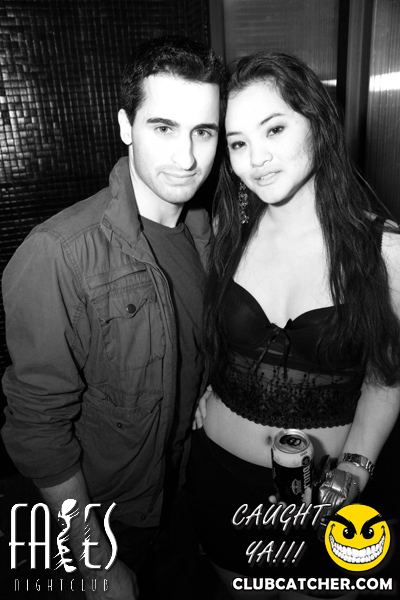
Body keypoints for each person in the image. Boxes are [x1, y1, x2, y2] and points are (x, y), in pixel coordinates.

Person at [1, 35, 224, 599]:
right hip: (106, 520)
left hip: (183, 499)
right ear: (126, 126)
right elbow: (38, 428)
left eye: (204, 132)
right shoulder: (58, 252)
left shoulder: (208, 236)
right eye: (164, 128)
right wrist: (94, 561)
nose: (187, 157)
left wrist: (206, 387)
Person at [187, 51, 400, 599]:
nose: (255, 159)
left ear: (318, 122)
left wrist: (354, 470)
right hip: (220, 481)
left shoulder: (385, 251)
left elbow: (385, 380)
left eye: (274, 129)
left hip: (329, 495)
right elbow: (218, 337)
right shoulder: (228, 231)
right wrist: (208, 385)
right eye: (237, 143)